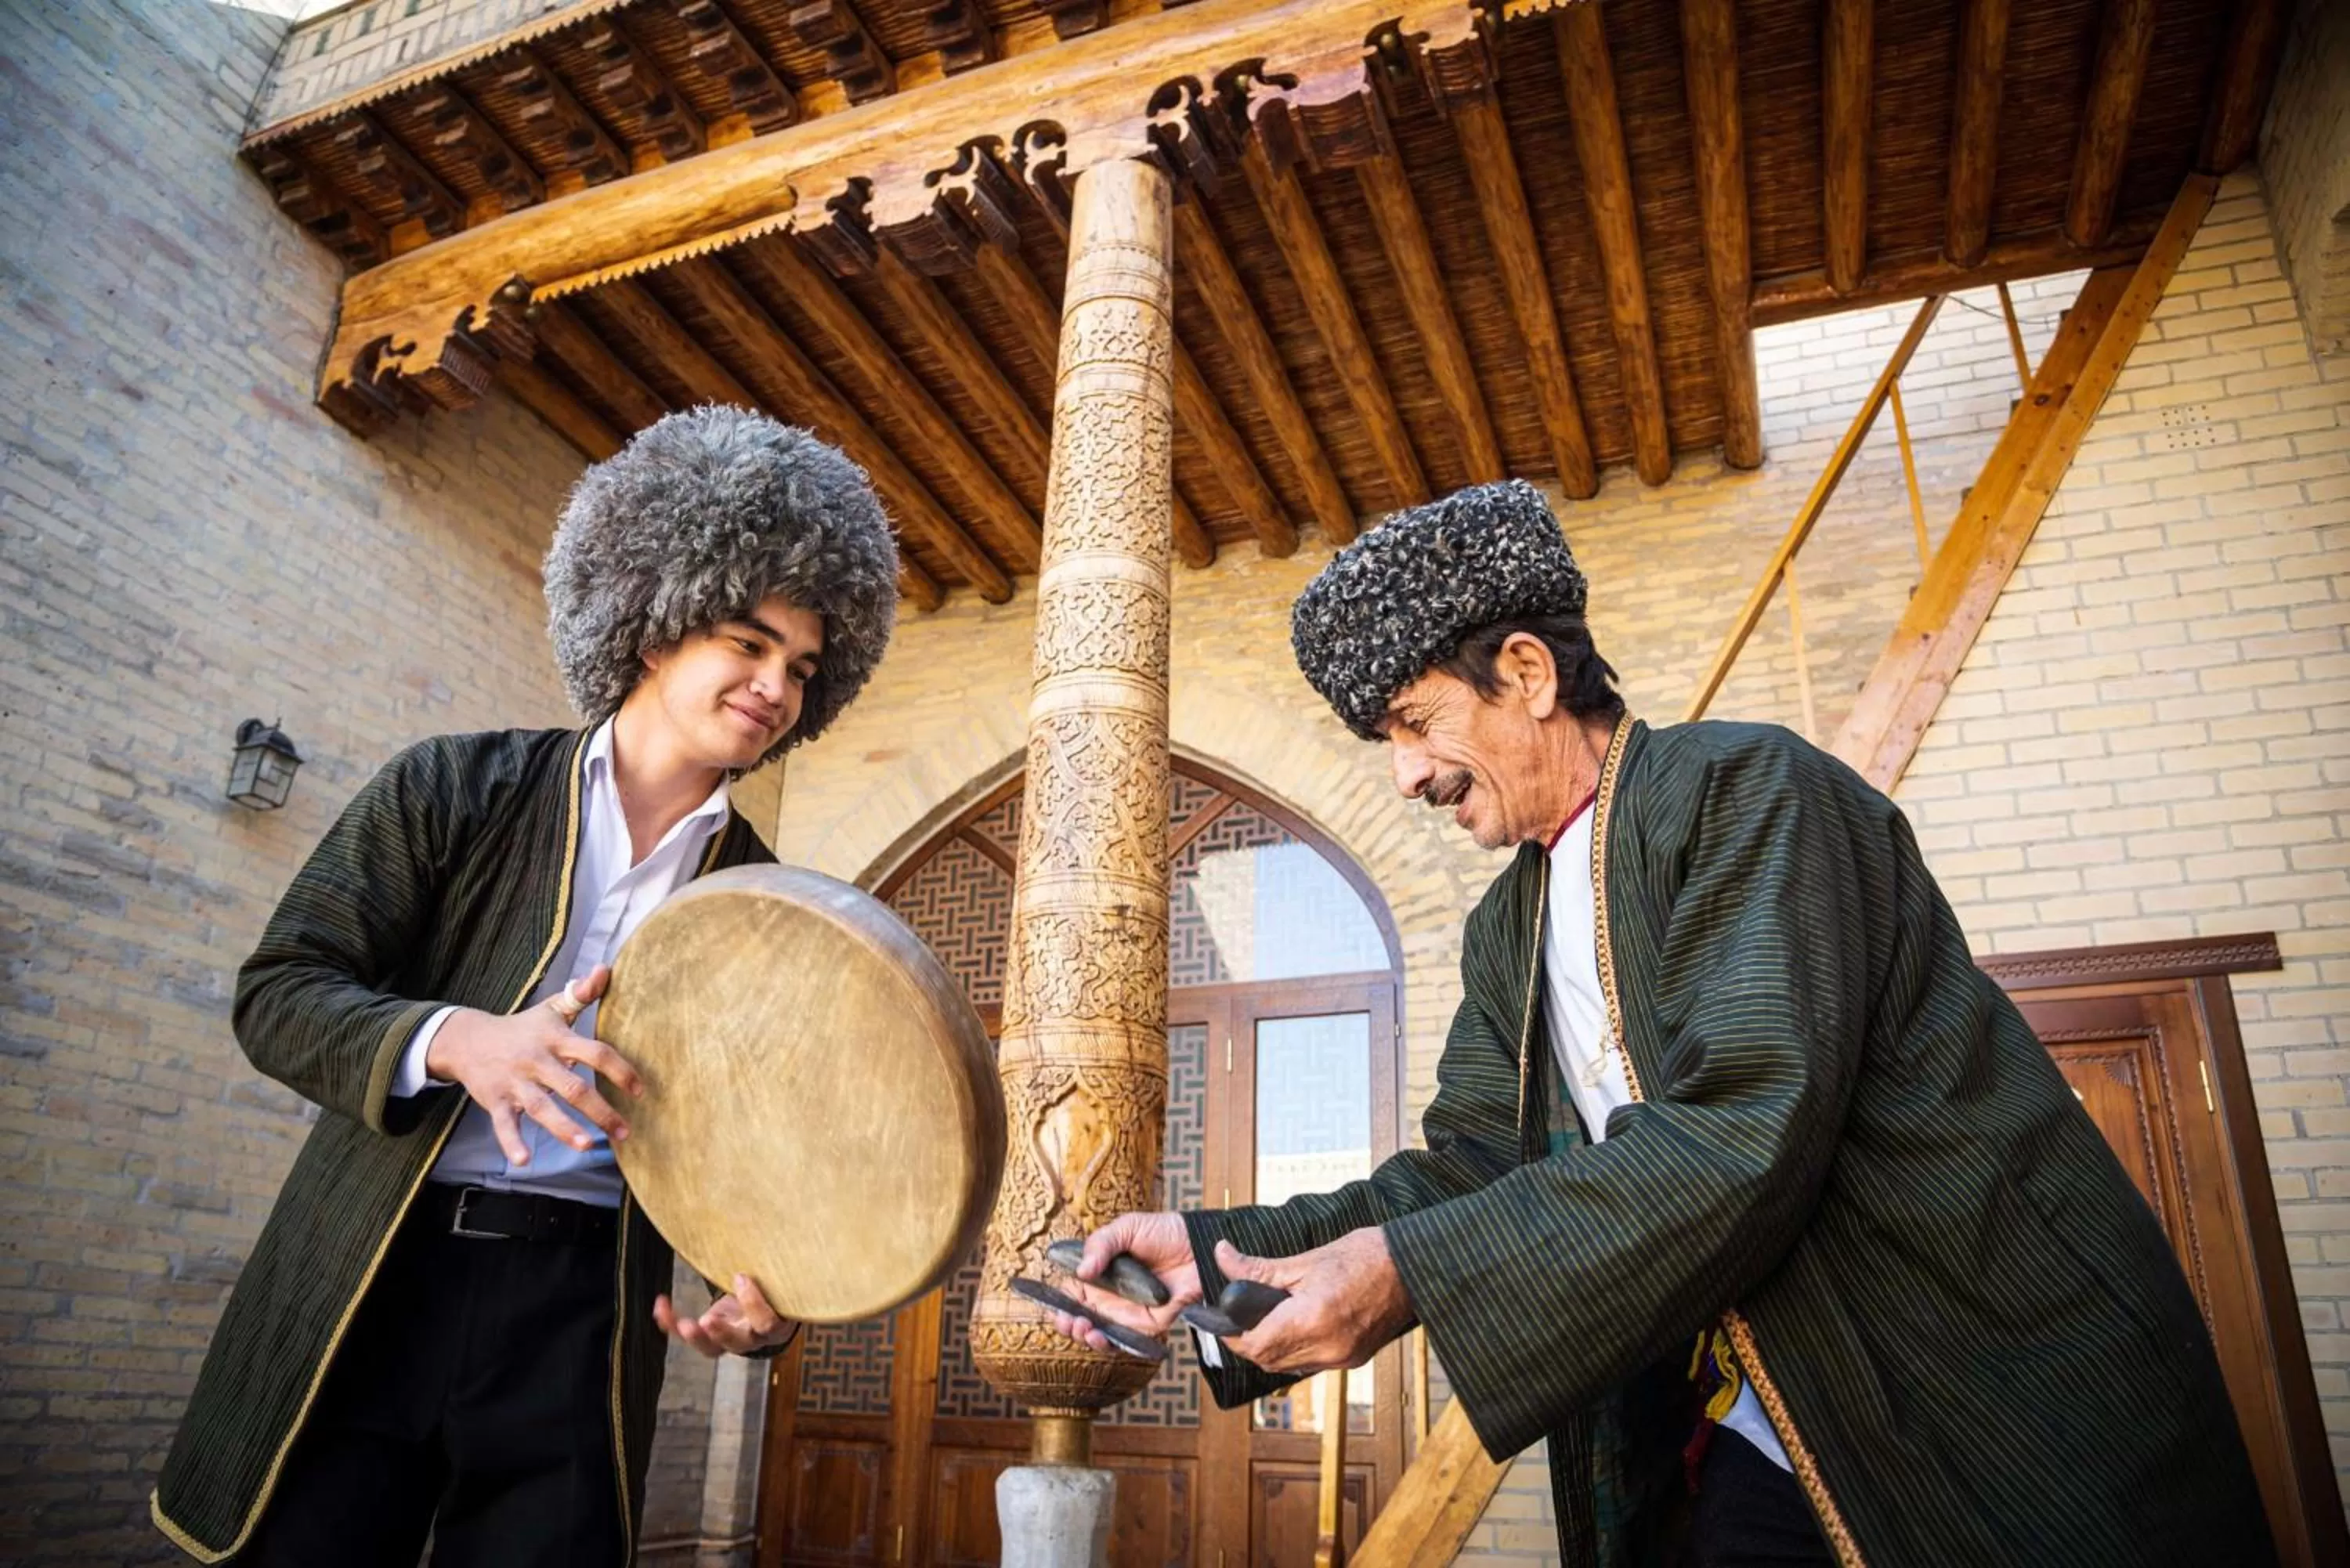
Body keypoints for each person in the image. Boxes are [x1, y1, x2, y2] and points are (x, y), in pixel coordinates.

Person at [1050, 480, 2271, 1565]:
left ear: (1528, 673)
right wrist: (1219, 1255)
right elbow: (1472, 1173)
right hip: (1756, 1432)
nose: (1406, 775)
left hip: (1975, 1386)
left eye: (1415, 723)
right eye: (1387, 744)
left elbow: (1747, 1126)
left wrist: (1403, 1272)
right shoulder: (1507, 928)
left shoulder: (1753, 794)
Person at [152, 407, 902, 1566]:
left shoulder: (767, 899)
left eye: (802, 668)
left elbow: (753, 1145)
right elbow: (278, 994)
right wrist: (461, 1040)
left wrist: (762, 1301)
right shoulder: (451, 784)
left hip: (582, 1314)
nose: (775, 686)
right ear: (655, 626)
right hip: (370, 1276)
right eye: (748, 643)